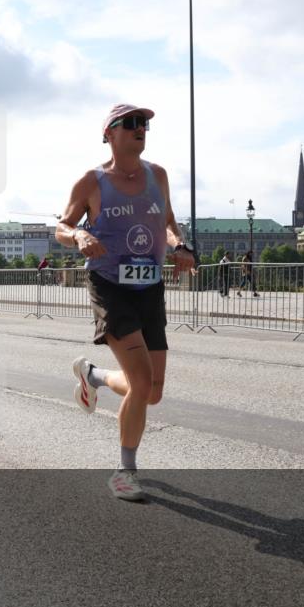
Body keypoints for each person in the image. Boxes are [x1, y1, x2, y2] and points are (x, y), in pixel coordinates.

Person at [55, 103, 196, 501]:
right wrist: (79, 237)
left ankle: (95, 376)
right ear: (109, 134)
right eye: (131, 123)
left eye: (145, 123)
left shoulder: (158, 176)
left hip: (149, 286)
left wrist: (181, 246)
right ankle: (125, 472)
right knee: (140, 382)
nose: (141, 129)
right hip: (109, 284)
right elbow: (62, 226)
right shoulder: (92, 181)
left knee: (152, 391)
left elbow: (168, 222)